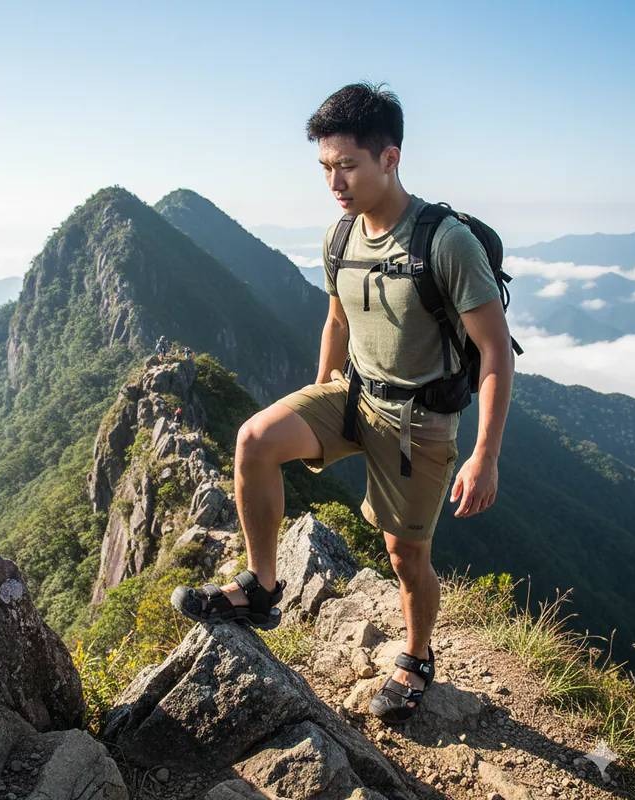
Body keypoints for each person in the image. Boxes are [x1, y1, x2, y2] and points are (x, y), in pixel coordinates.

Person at [171, 82, 515, 723]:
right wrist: (319, 396)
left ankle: (415, 658)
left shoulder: (445, 243)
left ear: (391, 157)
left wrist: (484, 456)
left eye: (348, 165)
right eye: (326, 167)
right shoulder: (340, 236)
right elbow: (337, 320)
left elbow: (496, 353)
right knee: (254, 441)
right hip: (353, 392)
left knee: (405, 555)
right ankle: (262, 588)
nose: (335, 181)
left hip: (420, 419)